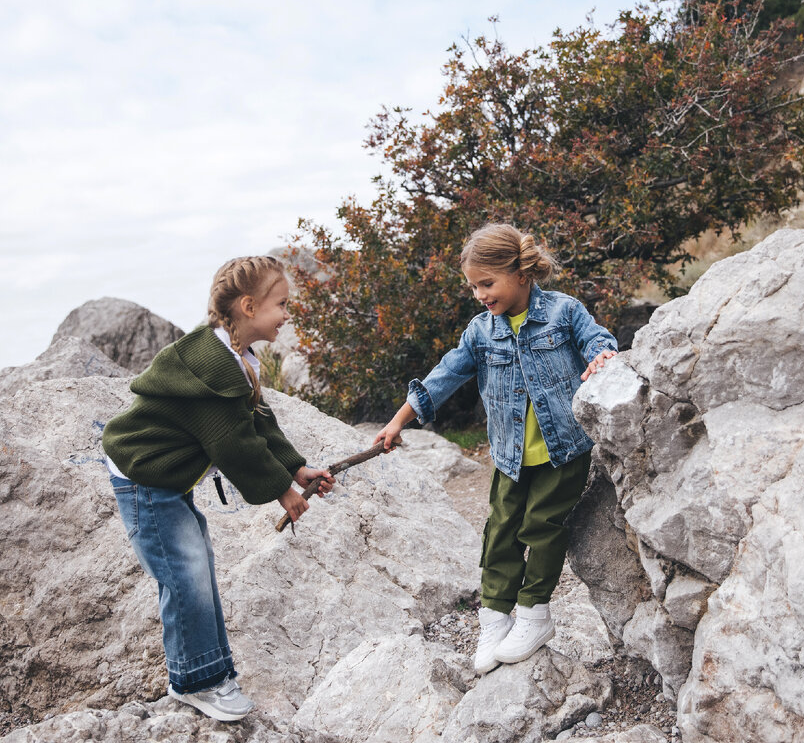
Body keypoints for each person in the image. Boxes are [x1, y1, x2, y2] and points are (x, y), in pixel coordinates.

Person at [374, 223, 617, 675]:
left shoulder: (563, 311)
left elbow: (595, 339)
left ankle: (534, 615)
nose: (479, 294)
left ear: (521, 272)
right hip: (510, 455)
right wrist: (398, 421)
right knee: (501, 532)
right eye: (473, 286)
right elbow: (444, 375)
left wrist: (602, 356)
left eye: (487, 283)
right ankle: (496, 618)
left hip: (563, 450)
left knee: (542, 527)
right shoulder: (481, 332)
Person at [102, 255, 334, 721]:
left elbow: (256, 419)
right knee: (184, 577)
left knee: (199, 570)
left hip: (166, 477)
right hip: (145, 477)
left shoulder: (237, 357)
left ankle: (214, 671)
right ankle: (195, 681)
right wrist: (282, 493)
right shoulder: (213, 365)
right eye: (281, 305)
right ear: (249, 306)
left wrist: (296, 468)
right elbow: (233, 443)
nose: (287, 315)